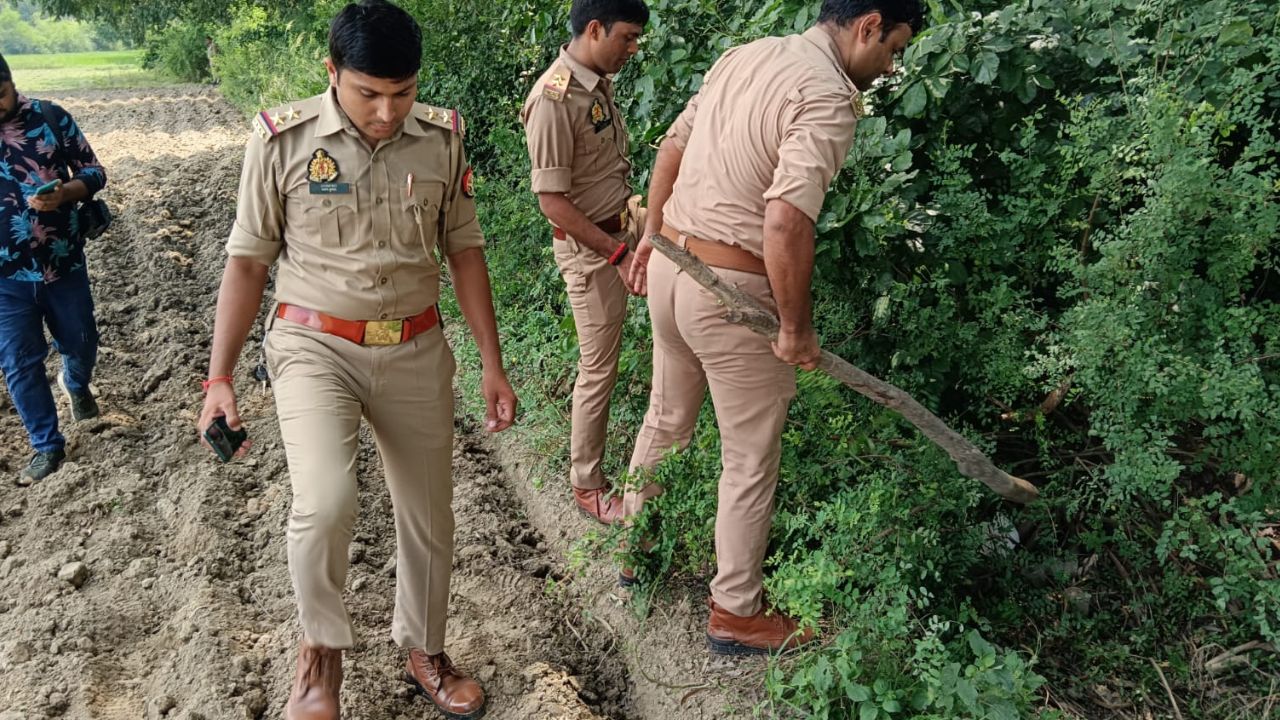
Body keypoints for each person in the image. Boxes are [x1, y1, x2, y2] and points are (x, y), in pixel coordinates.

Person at [195, 2, 516, 718]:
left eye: (402, 93)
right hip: (314, 345)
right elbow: (248, 264)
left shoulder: (441, 140)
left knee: (430, 515)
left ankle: (424, 650)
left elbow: (464, 252)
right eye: (369, 92)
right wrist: (219, 379)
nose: (387, 110)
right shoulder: (282, 140)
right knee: (326, 501)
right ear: (332, 71)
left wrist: (493, 363)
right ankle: (318, 659)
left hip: (414, 346)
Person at [621, 0, 923, 655]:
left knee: (666, 418)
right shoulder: (826, 94)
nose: (889, 65)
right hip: (732, 294)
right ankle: (735, 610)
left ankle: (634, 548)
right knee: (750, 455)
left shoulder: (745, 56)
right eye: (893, 48)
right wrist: (795, 328)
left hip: (673, 269)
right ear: (868, 24)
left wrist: (650, 236)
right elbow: (786, 220)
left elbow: (671, 147)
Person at [519, 0, 649, 525]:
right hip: (594, 252)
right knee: (599, 368)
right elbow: (552, 203)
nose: (633, 48)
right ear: (595, 29)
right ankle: (586, 483)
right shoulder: (553, 99)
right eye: (628, 37)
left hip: (626, 220)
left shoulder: (596, 79)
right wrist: (617, 254)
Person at [0, 51, 107, 486]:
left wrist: (64, 193)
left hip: (62, 263)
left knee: (81, 342)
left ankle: (76, 383)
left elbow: (95, 172)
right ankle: (47, 446)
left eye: (1, 95)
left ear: (11, 83)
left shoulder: (49, 117)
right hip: (5, 278)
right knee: (20, 363)